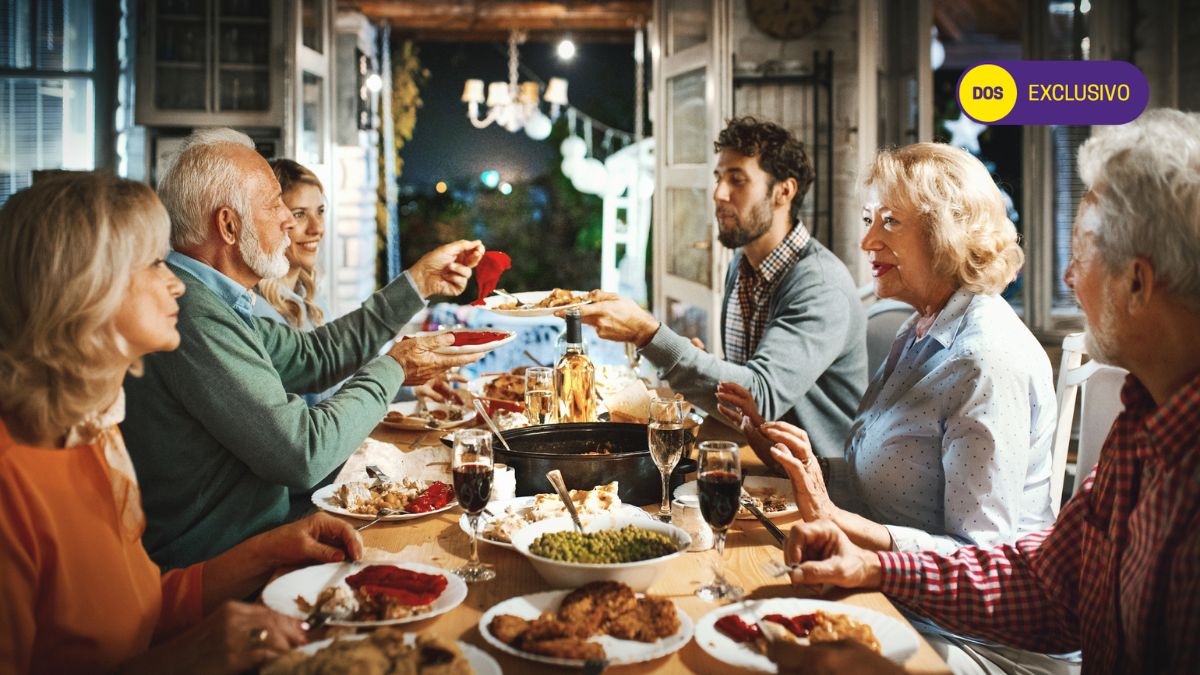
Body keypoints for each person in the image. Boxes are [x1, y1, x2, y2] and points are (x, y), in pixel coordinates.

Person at [779, 110, 1200, 675]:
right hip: (925, 605)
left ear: (1138, 282)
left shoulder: (988, 355)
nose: (1069, 277)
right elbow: (1047, 587)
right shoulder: (1140, 431)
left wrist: (862, 546)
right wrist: (875, 568)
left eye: (1081, 251)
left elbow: (989, 552)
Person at [0, 172, 365, 673]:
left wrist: (267, 550)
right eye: (154, 264)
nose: (176, 282)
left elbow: (142, 609)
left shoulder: (94, 433)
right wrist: (183, 659)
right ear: (86, 288)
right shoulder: (11, 482)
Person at [720, 142, 1061, 673]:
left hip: (972, 640)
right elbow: (881, 479)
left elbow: (981, 561)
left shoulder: (985, 360)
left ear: (946, 231)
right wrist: (812, 470)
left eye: (889, 221)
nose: (866, 239)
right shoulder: (918, 329)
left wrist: (839, 522)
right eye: (867, 218)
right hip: (893, 597)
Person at [121, 128, 485, 569]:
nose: (289, 222)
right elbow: (302, 453)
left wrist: (418, 284)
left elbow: (314, 357)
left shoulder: (216, 299)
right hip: (225, 572)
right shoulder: (193, 313)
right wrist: (393, 368)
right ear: (229, 225)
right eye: (275, 204)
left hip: (268, 542)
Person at [577, 117, 866, 458]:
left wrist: (648, 335)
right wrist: (699, 363)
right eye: (718, 178)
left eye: (737, 180)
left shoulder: (819, 284)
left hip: (820, 476)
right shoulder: (742, 266)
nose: (718, 193)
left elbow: (758, 397)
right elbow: (743, 386)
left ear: (783, 192)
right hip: (761, 454)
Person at [253, 159, 457, 407]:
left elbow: (338, 381)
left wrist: (408, 387)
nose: (316, 228)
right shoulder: (257, 312)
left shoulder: (311, 296)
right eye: (299, 214)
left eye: (320, 211)